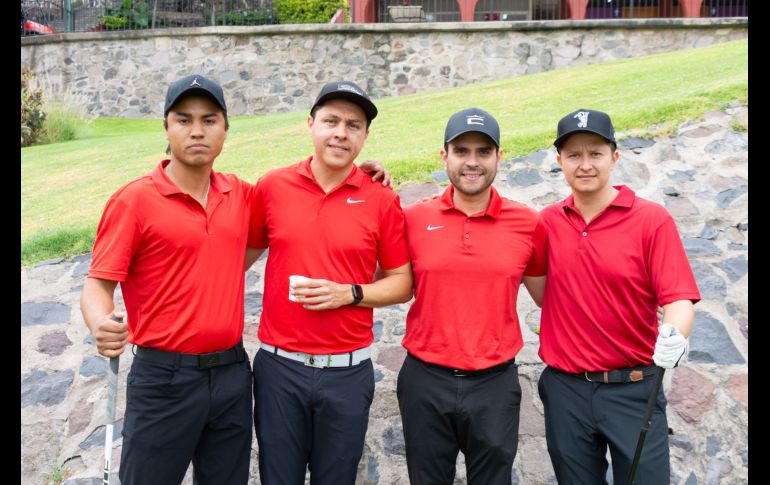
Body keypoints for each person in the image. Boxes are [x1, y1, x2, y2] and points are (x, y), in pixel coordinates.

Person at [80, 74, 390, 485]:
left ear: (225, 129)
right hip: (163, 376)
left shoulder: (244, 195)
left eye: (209, 120)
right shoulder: (134, 200)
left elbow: (308, 193)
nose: (197, 131)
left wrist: (363, 172)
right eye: (184, 120)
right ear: (166, 127)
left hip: (230, 374)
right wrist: (100, 322)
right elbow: (98, 284)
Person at [245, 80, 413, 485]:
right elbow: (234, 259)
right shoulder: (272, 187)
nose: (341, 132)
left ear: (365, 137)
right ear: (310, 124)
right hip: (279, 369)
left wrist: (350, 294)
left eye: (354, 125)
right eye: (331, 121)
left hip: (347, 373)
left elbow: (402, 283)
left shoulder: (381, 198)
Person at [535, 108, 701, 484]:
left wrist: (676, 333)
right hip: (566, 390)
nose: (585, 164)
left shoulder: (650, 219)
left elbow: (678, 298)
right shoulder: (547, 222)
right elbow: (541, 289)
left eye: (595, 153)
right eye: (574, 155)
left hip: (634, 387)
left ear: (614, 157)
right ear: (559, 160)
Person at [395, 108, 547, 485]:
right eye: (461, 151)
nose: (473, 162)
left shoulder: (528, 223)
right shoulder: (412, 218)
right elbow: (384, 278)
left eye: (483, 151)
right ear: (444, 156)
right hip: (424, 380)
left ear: (499, 156)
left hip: (494, 385)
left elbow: (550, 298)